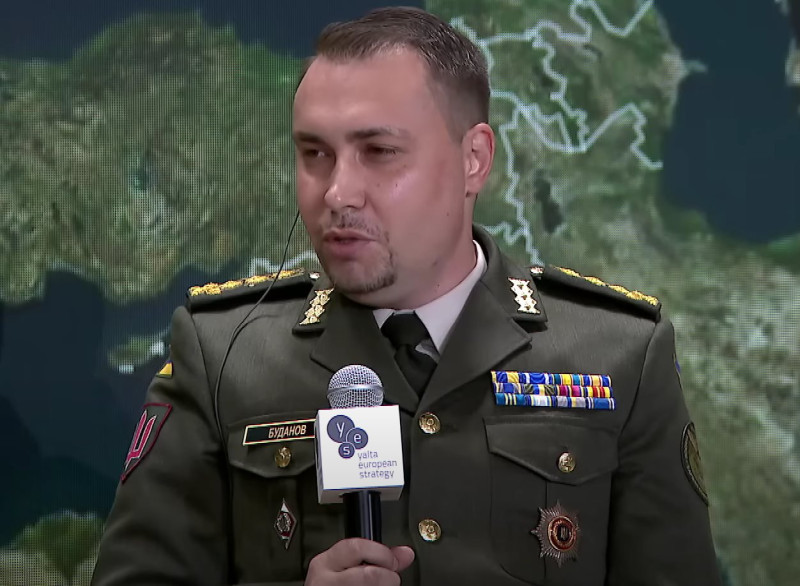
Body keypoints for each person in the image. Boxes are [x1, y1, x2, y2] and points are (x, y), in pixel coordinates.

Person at [91, 7, 723, 586]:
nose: (338, 192)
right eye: (315, 153)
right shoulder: (224, 355)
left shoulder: (619, 355)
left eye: (379, 152)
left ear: (474, 159)